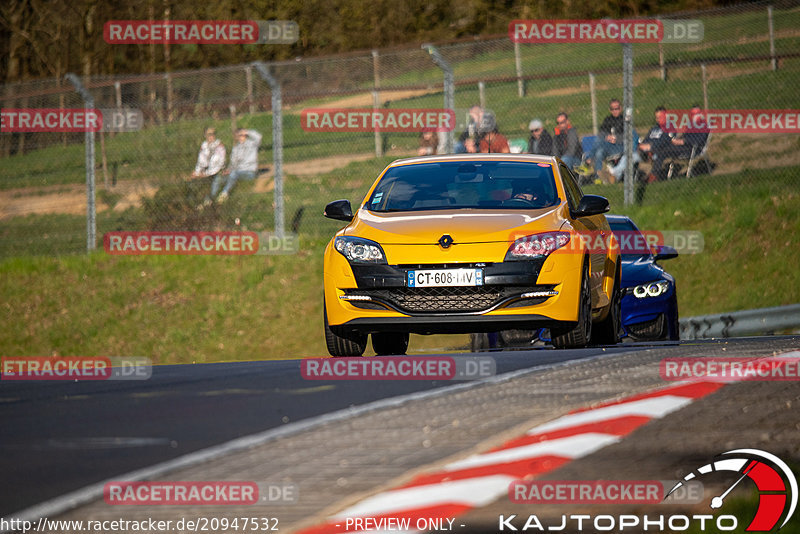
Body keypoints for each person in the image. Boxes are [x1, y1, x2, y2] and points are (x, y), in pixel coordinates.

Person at [208, 128, 262, 204]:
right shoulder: (236, 148)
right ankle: (211, 197)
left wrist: (247, 131)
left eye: (241, 135)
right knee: (219, 178)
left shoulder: (252, 144)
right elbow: (233, 163)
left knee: (234, 173)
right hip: (237, 172)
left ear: (245, 135)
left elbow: (259, 137)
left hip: (250, 172)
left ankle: (224, 193)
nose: (240, 137)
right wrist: (228, 170)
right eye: (238, 136)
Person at [190, 127, 226, 208]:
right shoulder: (204, 146)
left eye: (213, 134)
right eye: (209, 134)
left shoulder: (219, 146)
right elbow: (201, 162)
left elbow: (218, 164)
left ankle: (210, 201)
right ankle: (196, 203)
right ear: (205, 135)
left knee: (215, 182)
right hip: (207, 172)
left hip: (218, 171)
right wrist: (197, 172)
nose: (211, 136)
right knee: (193, 184)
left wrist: (206, 174)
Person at [587, 98, 624, 173]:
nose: (614, 111)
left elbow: (629, 136)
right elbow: (601, 133)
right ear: (610, 110)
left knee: (599, 140)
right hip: (607, 145)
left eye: (616, 108)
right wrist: (606, 137)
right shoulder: (608, 119)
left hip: (619, 146)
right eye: (612, 109)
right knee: (599, 152)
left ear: (620, 108)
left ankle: (588, 160)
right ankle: (598, 177)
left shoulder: (624, 120)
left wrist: (616, 138)